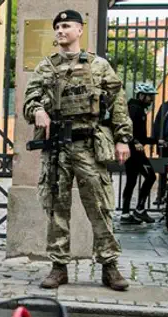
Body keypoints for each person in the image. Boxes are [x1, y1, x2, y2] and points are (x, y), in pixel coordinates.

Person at [23, 10, 133, 291]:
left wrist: (122, 138)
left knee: (99, 206)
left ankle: (109, 267)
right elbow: (29, 100)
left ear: (80, 30)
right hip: (57, 148)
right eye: (57, 26)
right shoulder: (45, 67)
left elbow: (118, 102)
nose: (60, 31)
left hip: (88, 145)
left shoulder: (98, 66)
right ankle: (59, 267)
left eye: (66, 26)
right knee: (57, 208)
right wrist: (37, 110)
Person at [121, 83, 158, 225]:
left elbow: (140, 135)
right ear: (141, 96)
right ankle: (140, 209)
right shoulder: (135, 109)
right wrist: (135, 141)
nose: (152, 99)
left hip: (133, 151)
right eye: (150, 96)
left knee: (131, 181)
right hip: (135, 152)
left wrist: (154, 140)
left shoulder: (137, 108)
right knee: (151, 177)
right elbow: (129, 129)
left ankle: (125, 213)